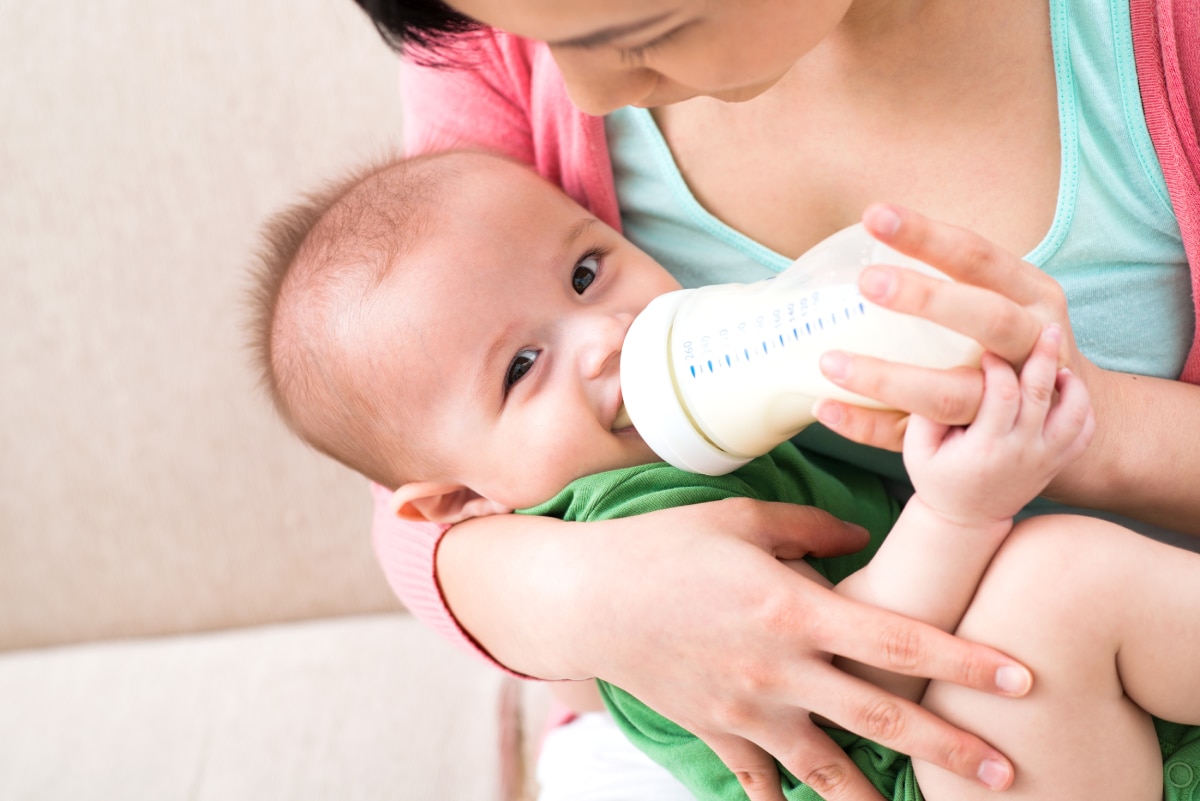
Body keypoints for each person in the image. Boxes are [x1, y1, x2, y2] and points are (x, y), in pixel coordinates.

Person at [346, 2, 1200, 798]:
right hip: (915, 758)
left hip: (1105, 683)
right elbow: (415, 463)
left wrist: (1101, 431)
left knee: (1053, 589)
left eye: (640, 29)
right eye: (524, 364)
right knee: (1048, 595)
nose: (586, 93)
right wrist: (583, 598)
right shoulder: (622, 512)